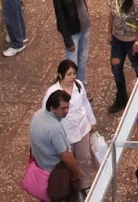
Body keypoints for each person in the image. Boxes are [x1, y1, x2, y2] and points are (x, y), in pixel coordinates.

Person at [43, 59, 98, 190]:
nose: (72, 77)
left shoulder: (78, 85)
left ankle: (85, 184)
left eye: (74, 73)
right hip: (65, 133)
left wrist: (92, 121)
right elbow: (46, 111)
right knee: (67, 162)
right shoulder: (52, 92)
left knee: (84, 159)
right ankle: (70, 186)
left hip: (82, 128)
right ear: (60, 75)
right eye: (69, 74)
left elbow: (85, 104)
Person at [30, 90, 83, 201]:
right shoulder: (55, 129)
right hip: (57, 170)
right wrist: (78, 171)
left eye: (68, 107)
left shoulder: (37, 115)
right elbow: (65, 156)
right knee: (72, 195)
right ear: (52, 108)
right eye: (63, 108)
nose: (66, 111)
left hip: (42, 165)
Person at [107, 0, 138, 114]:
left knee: (137, 66)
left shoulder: (136, 3)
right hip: (117, 40)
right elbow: (112, 15)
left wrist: (137, 42)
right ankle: (121, 98)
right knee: (116, 68)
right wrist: (109, 32)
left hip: (132, 41)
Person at [53, 0, 90, 84]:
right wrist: (68, 41)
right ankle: (72, 87)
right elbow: (61, 18)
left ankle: (82, 85)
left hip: (83, 27)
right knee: (72, 64)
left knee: (83, 59)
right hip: (73, 32)